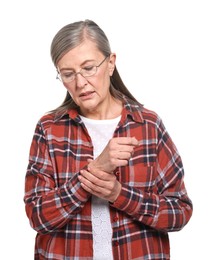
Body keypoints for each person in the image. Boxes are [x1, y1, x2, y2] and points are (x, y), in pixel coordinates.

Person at [24, 19, 193, 260]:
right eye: (68, 74)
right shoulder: (50, 129)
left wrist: (118, 194)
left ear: (110, 63)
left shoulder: (147, 126)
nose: (80, 82)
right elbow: (37, 216)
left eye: (89, 68)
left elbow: (180, 212)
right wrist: (92, 173)